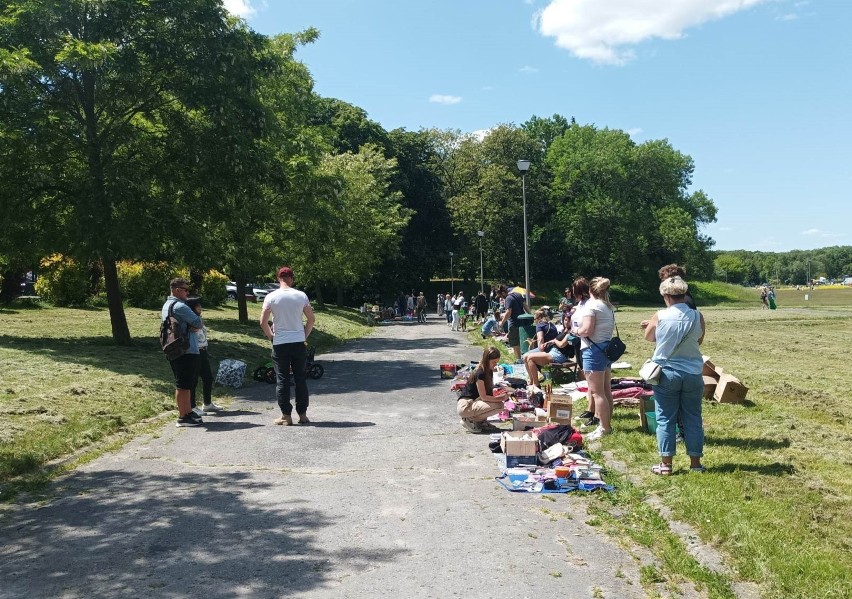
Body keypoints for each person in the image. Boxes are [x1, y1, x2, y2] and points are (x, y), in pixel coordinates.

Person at [640, 276, 706, 475]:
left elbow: (649, 337)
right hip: (693, 372)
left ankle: (666, 464)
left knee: (665, 418)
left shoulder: (659, 315)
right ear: (685, 294)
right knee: (693, 418)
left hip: (667, 373)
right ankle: (695, 464)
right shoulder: (697, 315)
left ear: (665, 295)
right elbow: (700, 340)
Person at [260, 266, 315, 426]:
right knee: (300, 378)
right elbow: (311, 319)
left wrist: (271, 336)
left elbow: (263, 322)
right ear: (292, 278)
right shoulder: (301, 296)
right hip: (298, 342)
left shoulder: (271, 297)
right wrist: (304, 335)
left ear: (278, 279)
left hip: (280, 343)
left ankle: (286, 415)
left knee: (282, 379)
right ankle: (303, 414)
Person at [570, 277, 615, 441]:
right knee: (606, 390)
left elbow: (587, 330)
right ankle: (606, 424)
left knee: (597, 393)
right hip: (605, 348)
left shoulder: (592, 306)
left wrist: (575, 331)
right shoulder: (607, 306)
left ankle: (604, 427)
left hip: (593, 349)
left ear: (590, 290)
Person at [161, 278, 204, 427]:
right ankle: (183, 416)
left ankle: (187, 412)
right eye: (185, 289)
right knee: (184, 384)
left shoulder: (167, 305)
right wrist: (193, 323)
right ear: (177, 290)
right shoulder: (180, 306)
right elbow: (198, 323)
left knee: (185, 383)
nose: (187, 292)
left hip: (174, 348)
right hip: (186, 348)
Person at [457, 346, 509, 433]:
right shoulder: (480, 373)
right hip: (466, 405)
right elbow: (484, 397)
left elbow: (489, 391)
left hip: (474, 402)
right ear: (486, 360)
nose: (495, 365)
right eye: (493, 362)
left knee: (498, 404)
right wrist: (501, 398)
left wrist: (501, 392)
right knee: (499, 405)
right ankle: (469, 420)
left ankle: (480, 421)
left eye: (496, 363)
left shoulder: (488, 371)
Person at [185, 298, 223, 417]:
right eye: (198, 306)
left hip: (203, 350)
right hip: (194, 352)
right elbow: (192, 329)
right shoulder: (189, 319)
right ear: (192, 308)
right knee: (193, 380)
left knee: (208, 378)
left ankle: (207, 403)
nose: (200, 308)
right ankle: (192, 406)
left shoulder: (198, 319)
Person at [523, 309, 570, 387]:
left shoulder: (540, 325)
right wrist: (550, 342)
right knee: (527, 357)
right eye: (565, 320)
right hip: (552, 349)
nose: (565, 322)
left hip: (557, 353)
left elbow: (560, 344)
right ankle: (532, 381)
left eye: (535, 319)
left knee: (527, 357)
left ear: (539, 318)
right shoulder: (554, 326)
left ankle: (536, 383)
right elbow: (555, 339)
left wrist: (553, 342)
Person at [498, 285, 527, 361]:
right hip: (522, 322)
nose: (501, 298)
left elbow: (508, 312)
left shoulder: (508, 298)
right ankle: (524, 358)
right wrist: (530, 315)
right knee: (522, 341)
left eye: (501, 296)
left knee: (514, 343)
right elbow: (525, 305)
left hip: (513, 323)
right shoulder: (518, 294)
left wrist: (502, 322)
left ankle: (518, 360)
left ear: (504, 293)